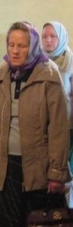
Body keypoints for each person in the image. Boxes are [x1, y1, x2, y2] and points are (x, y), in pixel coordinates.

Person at [0, 21, 71, 227]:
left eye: (22, 45)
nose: (16, 50)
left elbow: (58, 128)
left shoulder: (48, 74)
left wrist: (57, 171)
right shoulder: (0, 73)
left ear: (32, 46)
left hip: (38, 168)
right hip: (7, 166)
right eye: (12, 44)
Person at [41, 21, 73, 207]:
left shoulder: (70, 63)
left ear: (61, 38)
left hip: (67, 126)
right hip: (43, 126)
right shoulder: (39, 63)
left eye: (53, 36)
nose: (48, 40)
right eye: (45, 36)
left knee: (65, 174)